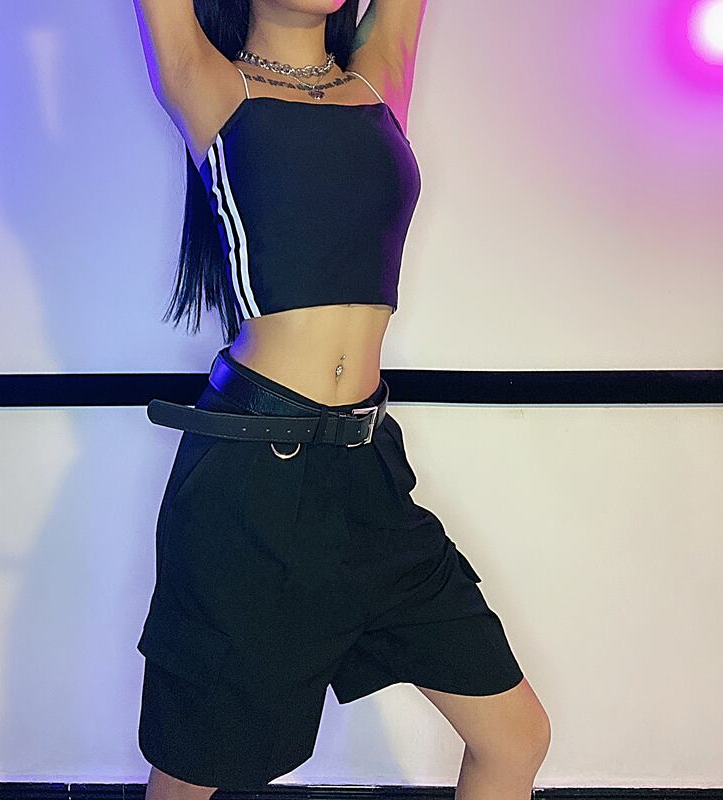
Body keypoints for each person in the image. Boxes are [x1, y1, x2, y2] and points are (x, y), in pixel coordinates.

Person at [131, 1, 551, 797]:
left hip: (368, 477)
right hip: (250, 480)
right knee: (196, 770)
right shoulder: (208, 84)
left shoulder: (379, 77)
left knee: (515, 737)